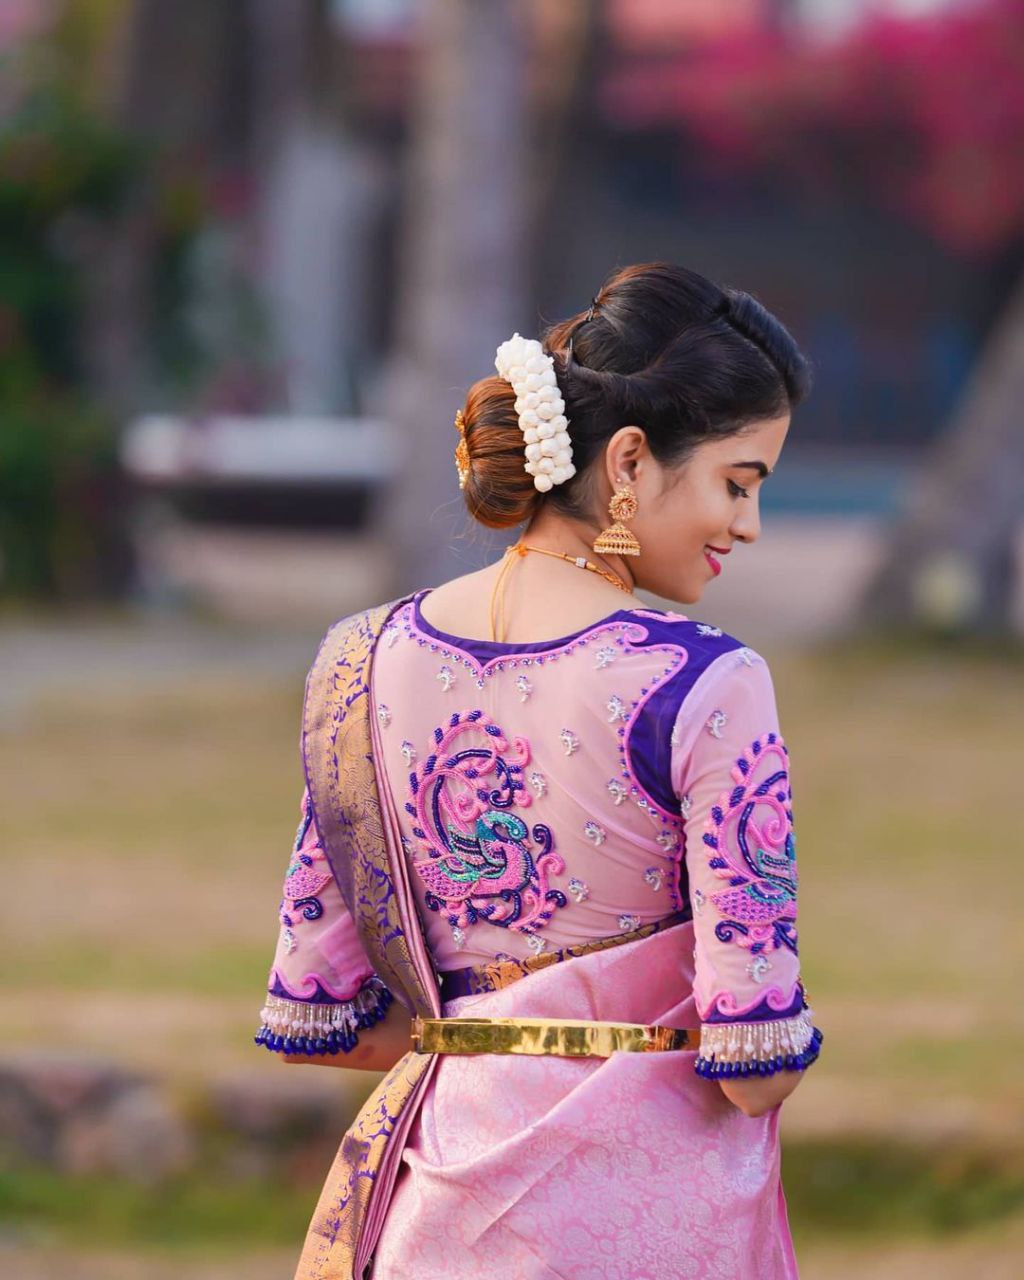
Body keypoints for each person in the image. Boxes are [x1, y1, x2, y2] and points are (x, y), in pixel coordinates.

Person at [255, 261, 823, 1280]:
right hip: (650, 1227)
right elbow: (755, 1060)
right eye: (736, 483)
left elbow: (321, 1007)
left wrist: (492, 1039)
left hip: (437, 1217)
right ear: (632, 460)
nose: (746, 525)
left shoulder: (359, 662)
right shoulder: (705, 681)